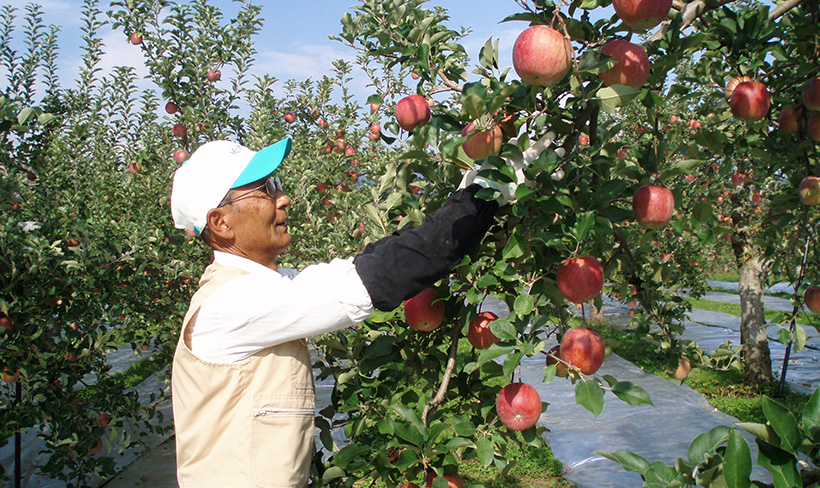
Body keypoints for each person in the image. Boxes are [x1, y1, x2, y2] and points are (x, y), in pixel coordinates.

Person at [168, 133, 554, 487]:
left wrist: (467, 196)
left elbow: (372, 262)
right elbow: (376, 277)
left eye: (277, 184)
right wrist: (483, 197)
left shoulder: (264, 289)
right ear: (220, 223)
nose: (282, 197)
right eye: (264, 190)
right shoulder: (232, 305)